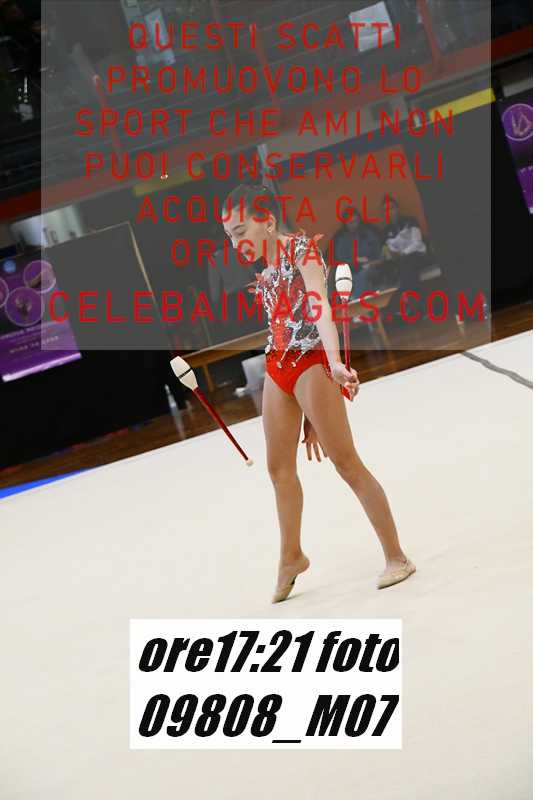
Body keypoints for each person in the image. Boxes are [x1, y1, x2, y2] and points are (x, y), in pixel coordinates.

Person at [222, 183, 416, 603]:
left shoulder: (302, 251)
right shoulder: (264, 264)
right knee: (278, 470)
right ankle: (291, 556)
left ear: (267, 221)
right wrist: (303, 409)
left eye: (240, 231)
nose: (235, 243)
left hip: (312, 361)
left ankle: (396, 556)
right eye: (229, 236)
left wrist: (335, 363)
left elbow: (320, 307)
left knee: (346, 462)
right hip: (279, 365)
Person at [331, 206, 383, 301]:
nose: (354, 225)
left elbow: (380, 257)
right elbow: (340, 262)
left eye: (356, 221)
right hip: (350, 271)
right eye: (351, 222)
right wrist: (355, 260)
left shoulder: (369, 234)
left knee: (363, 275)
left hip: (371, 268)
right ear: (345, 224)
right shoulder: (341, 239)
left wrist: (371, 264)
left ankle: (356, 302)